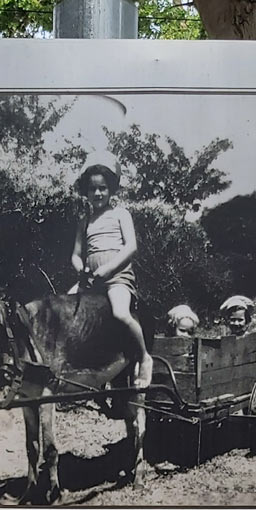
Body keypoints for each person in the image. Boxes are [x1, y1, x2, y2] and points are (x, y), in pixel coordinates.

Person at [71, 153, 153, 389]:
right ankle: (81, 368)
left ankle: (144, 357)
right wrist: (82, 270)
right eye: (92, 189)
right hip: (92, 280)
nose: (97, 194)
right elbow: (75, 255)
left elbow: (131, 247)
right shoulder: (84, 220)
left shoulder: (121, 214)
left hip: (117, 277)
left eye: (102, 189)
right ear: (86, 192)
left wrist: (108, 268)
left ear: (111, 190)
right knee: (65, 308)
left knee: (119, 313)